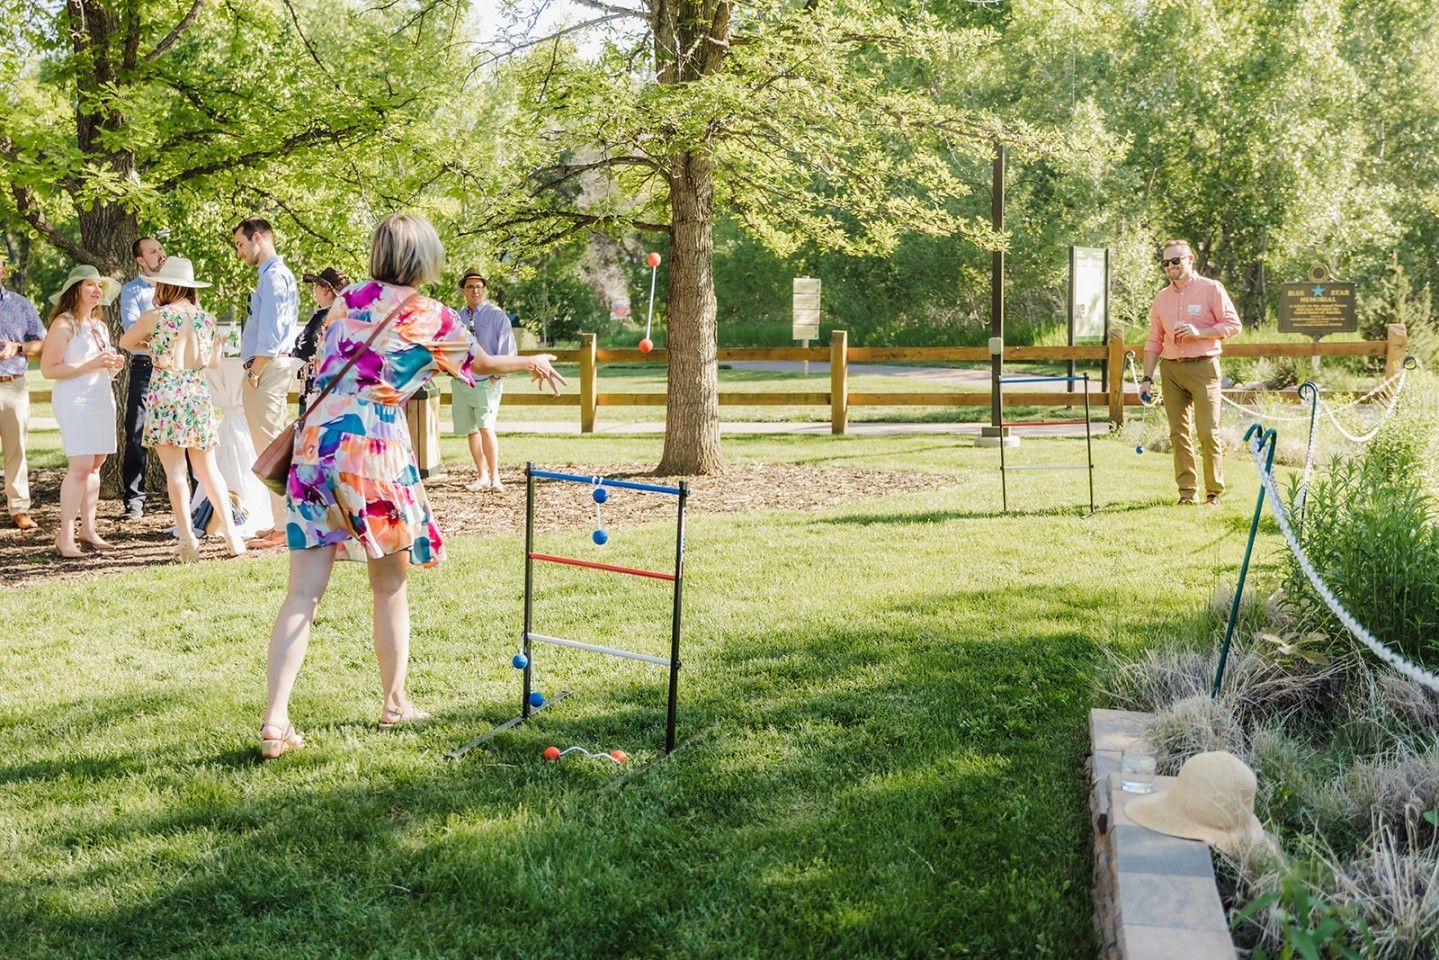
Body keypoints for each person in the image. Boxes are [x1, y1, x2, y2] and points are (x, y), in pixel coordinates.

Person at [258, 213, 567, 759]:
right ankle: (395, 702)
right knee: (389, 585)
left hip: (314, 446)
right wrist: (534, 360)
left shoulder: (347, 297)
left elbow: (328, 354)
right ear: (425, 258)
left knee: (302, 592)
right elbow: (484, 361)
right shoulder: (432, 316)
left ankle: (276, 721)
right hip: (372, 450)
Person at [119, 257, 247, 562]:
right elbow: (213, 362)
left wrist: (152, 344)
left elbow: (126, 341)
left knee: (175, 472)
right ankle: (232, 535)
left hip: (166, 392)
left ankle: (188, 539)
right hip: (197, 392)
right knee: (208, 469)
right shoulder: (206, 318)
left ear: (165, 285)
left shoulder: (157, 316)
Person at [1139, 240, 1242, 506]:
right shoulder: (1161, 298)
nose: (1170, 267)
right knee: (1178, 433)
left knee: (1208, 431)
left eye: (1176, 261)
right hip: (1171, 369)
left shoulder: (1211, 289)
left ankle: (1213, 493)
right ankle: (1187, 492)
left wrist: (1200, 333)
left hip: (1204, 367)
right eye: (1165, 263)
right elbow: (1153, 340)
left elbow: (1233, 325)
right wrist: (1147, 379)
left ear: (1190, 259)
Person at [40, 265, 125, 557]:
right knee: (79, 466)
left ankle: (89, 530)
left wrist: (113, 366)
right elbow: (48, 369)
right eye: (89, 284)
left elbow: (99, 367)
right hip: (75, 401)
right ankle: (65, 536)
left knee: (96, 464)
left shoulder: (99, 326)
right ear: (75, 290)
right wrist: (91, 365)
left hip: (101, 398)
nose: (96, 290)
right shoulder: (63, 324)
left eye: (99, 286)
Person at [233, 217, 301, 549]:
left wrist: (255, 372)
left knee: (271, 448)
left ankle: (284, 526)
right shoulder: (271, 276)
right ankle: (281, 522)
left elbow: (272, 335)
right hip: (270, 366)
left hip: (268, 367)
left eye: (240, 244)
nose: (238, 252)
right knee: (269, 447)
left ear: (257, 238)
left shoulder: (274, 278)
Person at [453, 270, 517, 491]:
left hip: (486, 382)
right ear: (463, 290)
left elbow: (507, 349)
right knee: (471, 430)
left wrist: (495, 376)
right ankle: (481, 476)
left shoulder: (496, 315)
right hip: (463, 381)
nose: (475, 291)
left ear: (484, 289)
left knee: (486, 428)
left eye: (479, 286)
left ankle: (495, 477)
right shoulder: (458, 318)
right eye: (470, 287)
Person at [118, 235, 166, 520]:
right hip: (145, 369)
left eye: (160, 249)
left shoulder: (179, 286)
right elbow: (131, 333)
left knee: (184, 434)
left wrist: (151, 335)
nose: (159, 254)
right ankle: (134, 500)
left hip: (177, 370)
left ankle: (197, 500)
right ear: (139, 260)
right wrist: (162, 338)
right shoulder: (132, 291)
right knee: (136, 434)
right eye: (152, 251)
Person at [0, 255, 46, 531]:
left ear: (3, 270)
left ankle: (19, 510)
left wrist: (15, 348)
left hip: (14, 385)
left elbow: (41, 341)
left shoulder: (20, 304)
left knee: (17, 450)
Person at [295, 267, 350, 413]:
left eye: (317, 286)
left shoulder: (323, 317)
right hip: (339, 390)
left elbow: (305, 347)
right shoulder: (347, 316)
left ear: (326, 290)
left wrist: (291, 355)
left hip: (316, 391)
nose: (314, 290)